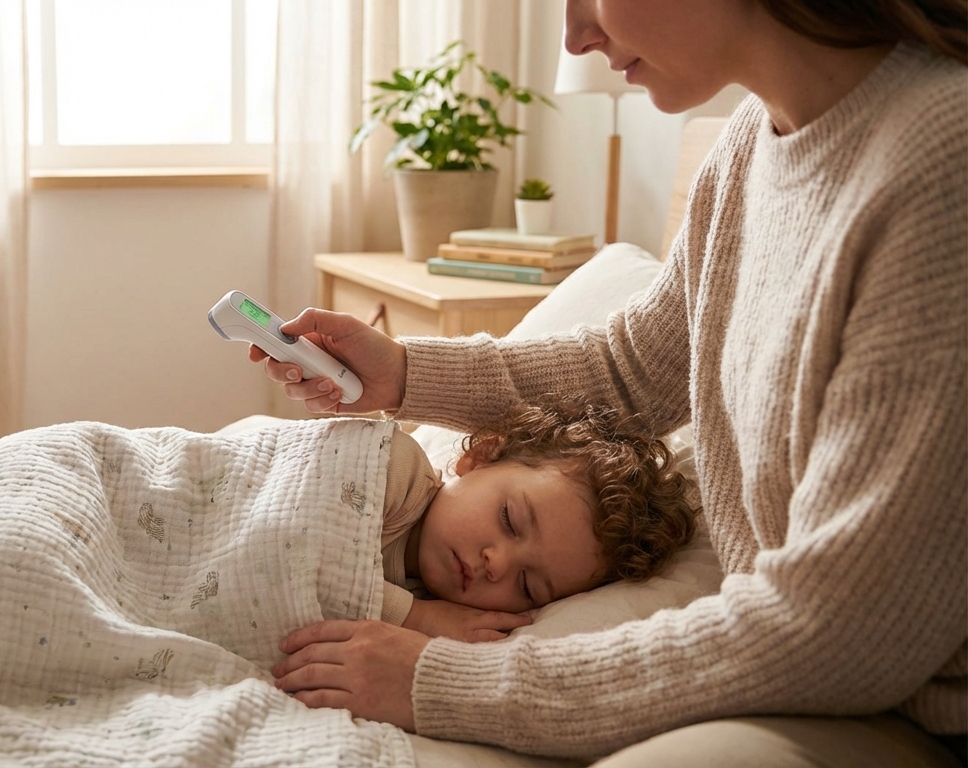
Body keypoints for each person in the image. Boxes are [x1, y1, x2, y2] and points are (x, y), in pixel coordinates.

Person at [252, 0, 968, 765]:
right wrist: (402, 373)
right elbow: (632, 373)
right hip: (832, 677)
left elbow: (844, 631)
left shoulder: (940, 168)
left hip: (910, 708)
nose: (575, 36)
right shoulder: (749, 147)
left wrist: (446, 681)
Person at [375, 396, 697, 643]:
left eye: (527, 586)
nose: (497, 565)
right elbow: (323, 553)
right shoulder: (392, 467)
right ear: (481, 456)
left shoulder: (430, 601)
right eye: (509, 520)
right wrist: (414, 617)